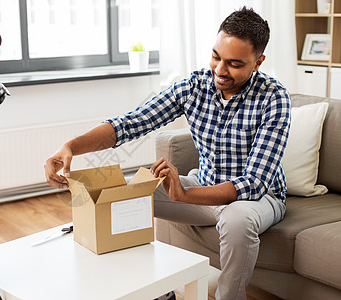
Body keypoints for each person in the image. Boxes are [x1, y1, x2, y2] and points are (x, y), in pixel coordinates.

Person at [44, 6, 290, 300]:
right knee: (120, 194)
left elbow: (254, 183)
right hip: (204, 186)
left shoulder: (274, 98)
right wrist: (70, 147)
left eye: (234, 64)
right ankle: (151, 290)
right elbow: (131, 123)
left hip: (257, 199)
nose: (220, 71)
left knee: (237, 220)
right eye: (216, 57)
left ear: (258, 62)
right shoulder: (194, 86)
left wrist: (185, 196)